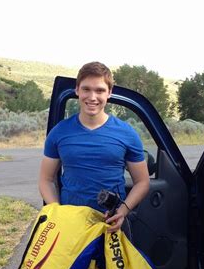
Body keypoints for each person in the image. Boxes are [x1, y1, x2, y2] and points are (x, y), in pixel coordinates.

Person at [39, 61, 150, 233]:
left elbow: (142, 182)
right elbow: (46, 180)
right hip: (70, 224)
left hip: (111, 224)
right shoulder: (59, 132)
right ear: (77, 90)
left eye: (99, 90)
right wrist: (57, 212)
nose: (92, 97)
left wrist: (123, 211)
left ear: (109, 93)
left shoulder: (127, 134)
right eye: (86, 89)